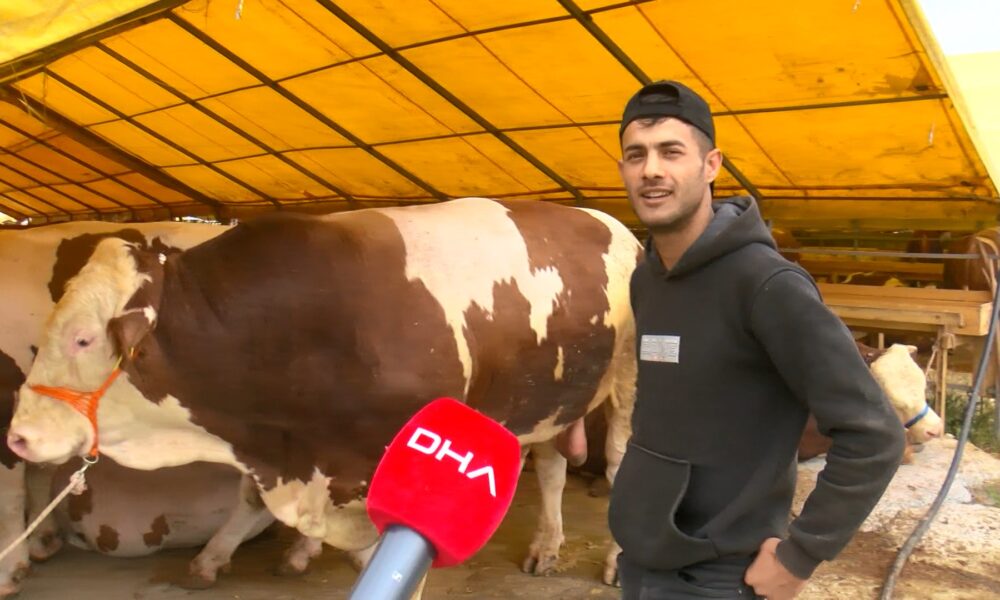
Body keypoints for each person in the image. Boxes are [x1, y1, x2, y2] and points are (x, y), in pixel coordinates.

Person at [608, 80, 905, 600]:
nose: (651, 169)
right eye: (637, 155)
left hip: (721, 576)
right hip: (643, 559)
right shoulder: (647, 280)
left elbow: (874, 433)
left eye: (671, 152)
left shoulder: (767, 285)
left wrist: (801, 555)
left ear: (711, 165)